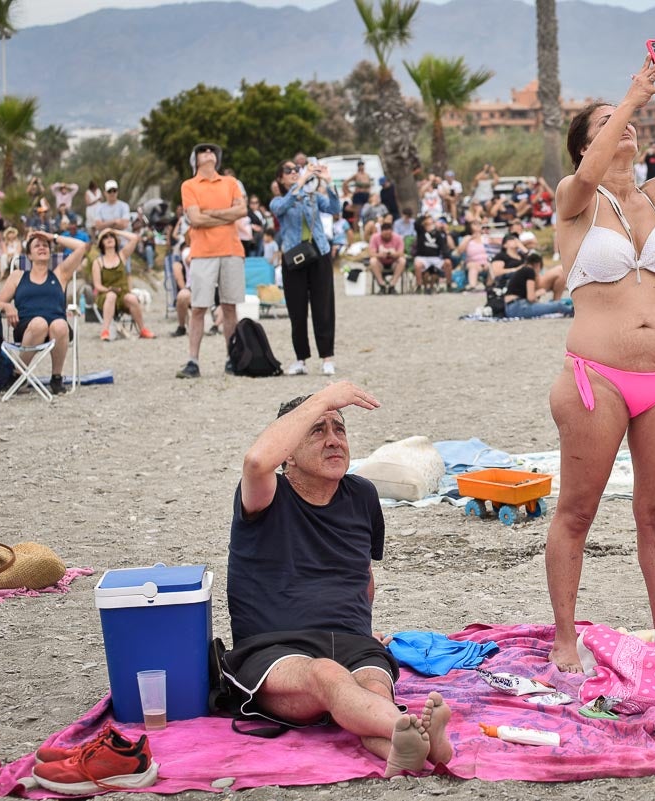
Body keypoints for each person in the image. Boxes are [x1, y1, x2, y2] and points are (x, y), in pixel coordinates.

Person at [544, 55, 655, 671]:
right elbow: (589, 172)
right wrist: (629, 97)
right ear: (583, 147)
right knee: (578, 511)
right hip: (598, 377)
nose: (622, 127)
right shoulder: (574, 200)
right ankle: (565, 639)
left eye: (623, 119)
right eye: (603, 123)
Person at [226, 384, 454, 776]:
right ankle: (417, 733)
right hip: (275, 651)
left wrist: (363, 632)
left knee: (372, 689)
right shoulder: (266, 495)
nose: (334, 441)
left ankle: (404, 750)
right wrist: (324, 398)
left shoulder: (362, 495)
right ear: (288, 456)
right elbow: (255, 462)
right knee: (327, 675)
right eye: (317, 430)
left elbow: (363, 578)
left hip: (352, 643)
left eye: (340, 429)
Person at [177, 143, 247, 379]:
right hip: (203, 252)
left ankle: (232, 358)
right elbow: (195, 219)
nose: (208, 153)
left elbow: (242, 211)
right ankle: (193, 361)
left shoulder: (230, 182)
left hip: (231, 250)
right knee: (198, 308)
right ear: (195, 159)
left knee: (229, 307)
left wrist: (210, 214)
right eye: (202, 151)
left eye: (211, 151)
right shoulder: (189, 185)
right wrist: (225, 214)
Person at [0, 231, 89, 395]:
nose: (42, 247)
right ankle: (19, 374)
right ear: (29, 255)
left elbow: (81, 247)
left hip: (57, 329)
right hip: (27, 328)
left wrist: (53, 237)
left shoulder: (60, 274)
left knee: (59, 324)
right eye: (37, 245)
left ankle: (56, 378)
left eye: (45, 245)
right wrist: (8, 307)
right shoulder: (18, 276)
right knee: (39, 323)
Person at [271, 158, 340, 377]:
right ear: (281, 178)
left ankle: (327, 358)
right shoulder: (278, 200)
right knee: (297, 310)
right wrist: (298, 184)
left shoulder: (313, 198)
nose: (293, 172)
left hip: (318, 253)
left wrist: (328, 183)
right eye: (288, 170)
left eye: (296, 169)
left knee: (324, 307)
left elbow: (335, 208)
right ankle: (300, 359)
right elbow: (281, 208)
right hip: (294, 258)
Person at [93, 229, 154, 340]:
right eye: (105, 237)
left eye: (112, 236)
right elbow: (97, 285)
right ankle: (105, 331)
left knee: (131, 298)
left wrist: (116, 231)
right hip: (105, 295)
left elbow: (134, 238)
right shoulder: (98, 262)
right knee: (111, 296)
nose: (109, 238)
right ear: (101, 242)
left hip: (122, 294)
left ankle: (142, 330)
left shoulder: (122, 256)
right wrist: (109, 290)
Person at [504, 251, 572, 318]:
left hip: (511, 307)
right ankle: (574, 311)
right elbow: (531, 298)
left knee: (552, 304)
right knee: (558, 305)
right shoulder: (530, 271)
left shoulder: (522, 271)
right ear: (537, 265)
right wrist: (538, 293)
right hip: (518, 307)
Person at [411, 214, 453, 293]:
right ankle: (419, 286)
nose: (430, 224)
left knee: (448, 262)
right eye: (428, 222)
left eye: (431, 222)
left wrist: (446, 257)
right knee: (417, 265)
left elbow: (443, 247)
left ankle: (449, 285)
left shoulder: (438, 234)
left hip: (435, 257)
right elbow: (416, 223)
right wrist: (424, 217)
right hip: (422, 257)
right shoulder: (421, 231)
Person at [454, 220, 492, 289]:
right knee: (473, 267)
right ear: (470, 227)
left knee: (492, 265)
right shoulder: (467, 238)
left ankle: (490, 285)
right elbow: (459, 252)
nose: (477, 225)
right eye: (475, 224)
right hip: (472, 262)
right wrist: (469, 239)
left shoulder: (486, 238)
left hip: (486, 262)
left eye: (479, 224)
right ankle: (472, 286)